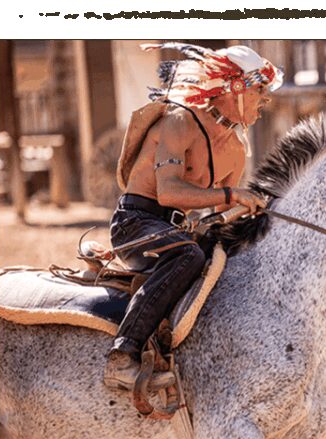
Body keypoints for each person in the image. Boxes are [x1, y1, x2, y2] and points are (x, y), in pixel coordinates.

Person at [104, 42, 282, 391]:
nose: (265, 101)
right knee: (188, 254)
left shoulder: (236, 150)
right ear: (236, 89)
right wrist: (234, 196)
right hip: (135, 225)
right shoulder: (178, 121)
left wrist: (257, 210)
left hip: (179, 232)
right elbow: (168, 192)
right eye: (260, 92)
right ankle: (122, 356)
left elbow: (221, 217)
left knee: (224, 264)